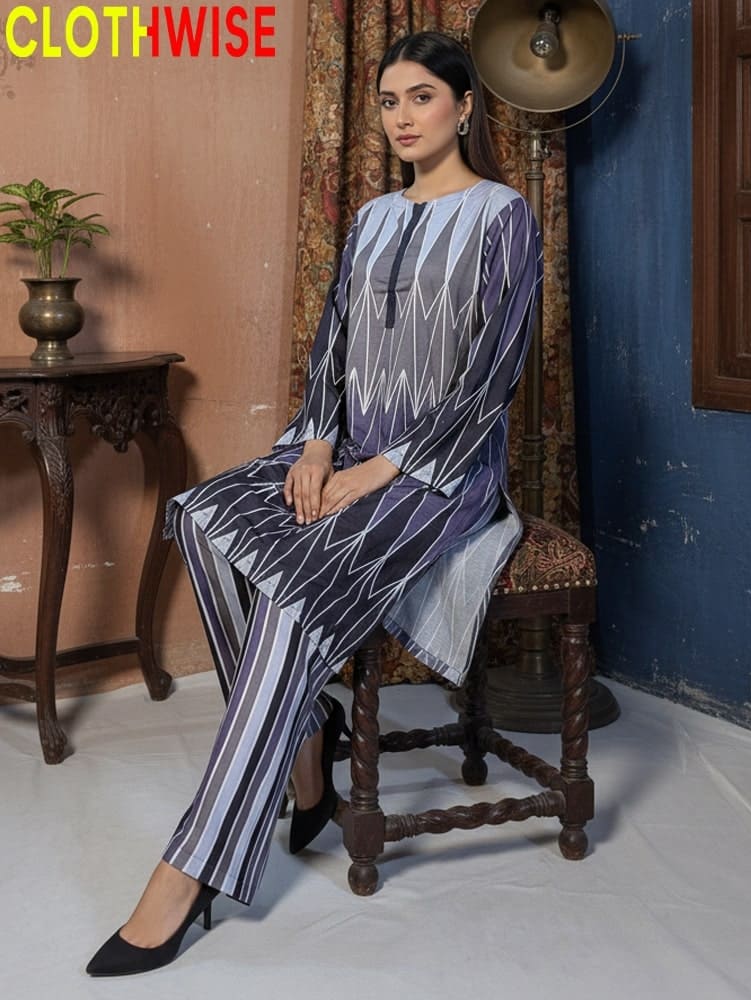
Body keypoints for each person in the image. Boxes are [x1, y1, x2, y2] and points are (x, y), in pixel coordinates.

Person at [86, 30, 542, 977]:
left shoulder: (504, 216)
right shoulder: (372, 219)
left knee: (297, 590)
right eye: (389, 101)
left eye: (422, 97)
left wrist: (382, 472)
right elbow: (333, 345)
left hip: (443, 474)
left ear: (464, 105)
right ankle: (306, 752)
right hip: (345, 449)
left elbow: (494, 377)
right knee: (204, 518)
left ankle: (192, 868)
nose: (403, 117)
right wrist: (321, 446)